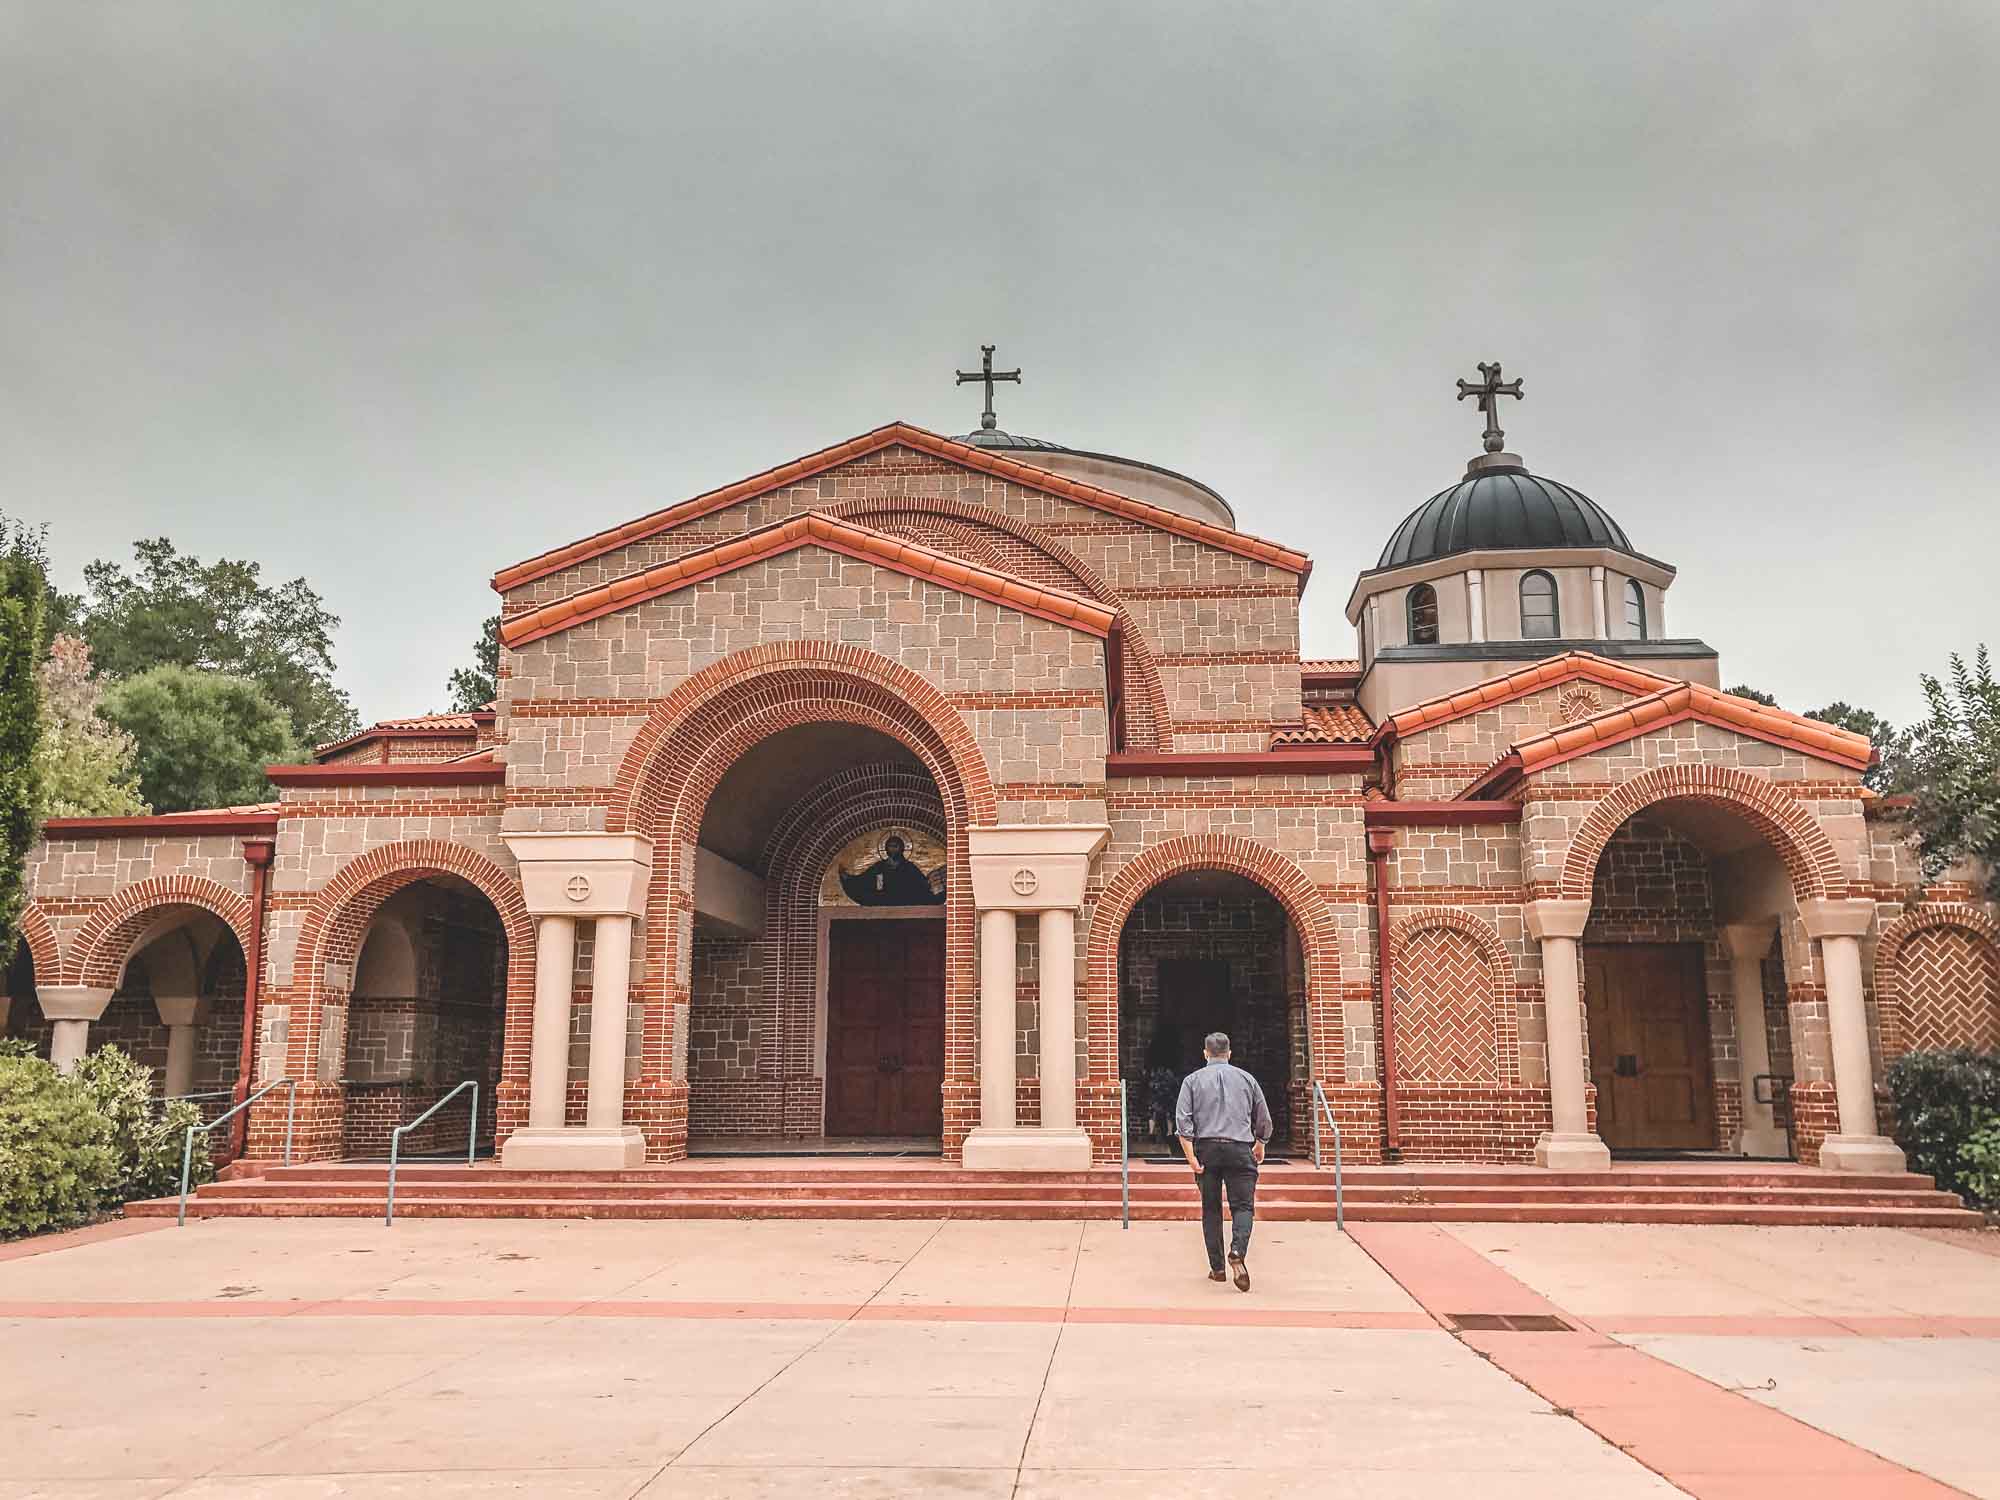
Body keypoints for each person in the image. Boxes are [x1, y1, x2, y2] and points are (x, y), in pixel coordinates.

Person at [1174, 1030, 1272, 1292]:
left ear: (1205, 1053)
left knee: (1211, 1209)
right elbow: (1263, 1118)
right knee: (1243, 1207)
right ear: (1229, 1053)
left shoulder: (1192, 1080)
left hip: (1207, 1149)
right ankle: (1237, 1251)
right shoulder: (1246, 1079)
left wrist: (1191, 1158)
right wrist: (1260, 1143)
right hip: (1239, 1147)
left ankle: (1217, 1269)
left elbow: (1183, 1123)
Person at [837, 834, 944, 905]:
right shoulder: (879, 867)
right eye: (890, 846)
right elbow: (864, 880)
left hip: (905, 900)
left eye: (895, 846)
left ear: (901, 848)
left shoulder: (909, 867)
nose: (893, 849)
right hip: (884, 900)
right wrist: (849, 879)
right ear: (886, 849)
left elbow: (921, 884)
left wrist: (933, 880)